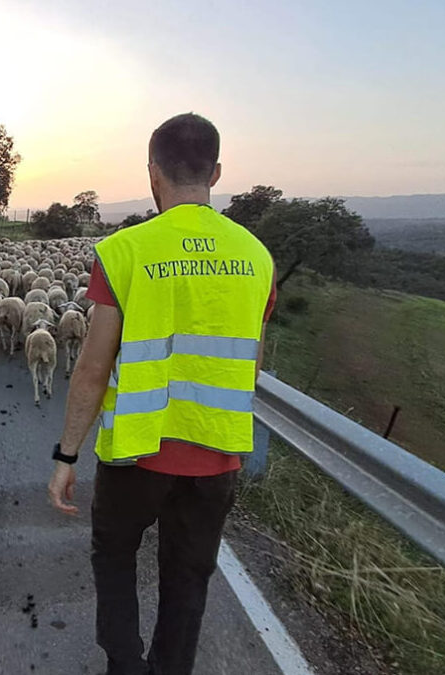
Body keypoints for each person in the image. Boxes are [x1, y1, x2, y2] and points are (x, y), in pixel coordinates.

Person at [46, 113, 276, 675]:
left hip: (136, 450)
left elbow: (94, 367)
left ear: (153, 173)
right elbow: (253, 364)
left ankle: (125, 665)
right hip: (215, 453)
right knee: (189, 574)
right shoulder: (258, 258)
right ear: (217, 172)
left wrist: (67, 454)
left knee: (116, 558)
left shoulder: (125, 251)